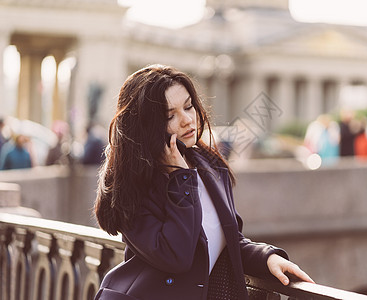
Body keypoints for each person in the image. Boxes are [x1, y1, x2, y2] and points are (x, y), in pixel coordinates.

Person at [94, 65, 314, 300]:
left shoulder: (209, 165)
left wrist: (266, 257)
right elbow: (176, 256)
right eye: (170, 116)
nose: (187, 120)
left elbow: (225, 241)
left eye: (188, 106)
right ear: (145, 126)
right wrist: (181, 179)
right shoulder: (134, 182)